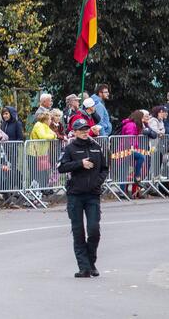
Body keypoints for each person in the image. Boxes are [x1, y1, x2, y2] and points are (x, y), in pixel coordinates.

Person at [57, 118, 108, 278]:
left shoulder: (96, 147)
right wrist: (80, 163)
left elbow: (104, 168)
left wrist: (97, 182)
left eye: (86, 129)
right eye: (81, 129)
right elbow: (62, 167)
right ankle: (84, 267)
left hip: (93, 195)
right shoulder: (70, 148)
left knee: (94, 230)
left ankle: (91, 263)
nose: (85, 132)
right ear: (75, 132)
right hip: (75, 195)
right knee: (78, 231)